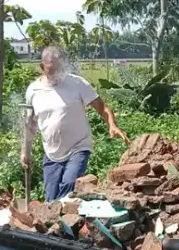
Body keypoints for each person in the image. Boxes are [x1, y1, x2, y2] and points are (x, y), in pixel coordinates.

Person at [21, 46, 129, 201]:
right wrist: (25, 151)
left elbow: (102, 107)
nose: (55, 75)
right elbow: (30, 124)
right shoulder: (33, 91)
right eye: (51, 71)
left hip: (78, 147)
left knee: (70, 184)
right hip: (51, 153)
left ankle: (65, 218)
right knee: (51, 199)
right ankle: (61, 220)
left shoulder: (77, 84)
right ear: (42, 67)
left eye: (59, 70)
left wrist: (112, 124)